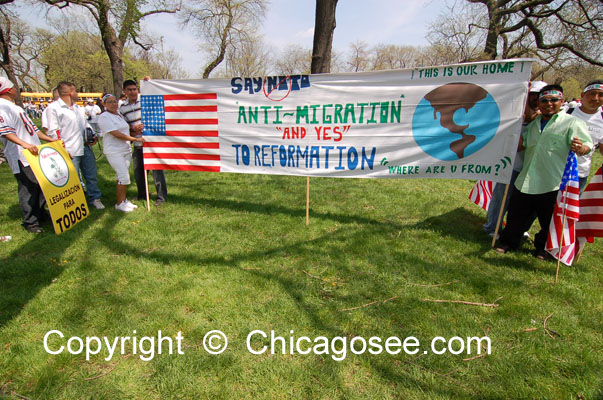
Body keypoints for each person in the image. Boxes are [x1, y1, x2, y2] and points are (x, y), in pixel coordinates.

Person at [495, 84, 593, 259]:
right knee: (516, 215)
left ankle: (543, 248)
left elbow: (587, 146)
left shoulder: (573, 123)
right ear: (539, 103)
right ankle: (508, 242)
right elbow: (522, 145)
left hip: (552, 181)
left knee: (548, 220)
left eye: (554, 100)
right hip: (526, 179)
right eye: (545, 100)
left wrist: (581, 148)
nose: (549, 103)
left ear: (562, 101)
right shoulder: (533, 125)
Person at [483, 81, 547, 237]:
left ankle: (519, 229)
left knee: (527, 204)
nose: (537, 100)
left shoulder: (544, 117)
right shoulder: (519, 114)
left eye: (541, 97)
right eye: (534, 96)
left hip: (534, 168)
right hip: (512, 165)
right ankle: (493, 228)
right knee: (502, 198)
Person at [0, 77, 59, 233]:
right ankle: (30, 222)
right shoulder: (2, 107)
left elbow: (33, 129)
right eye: (14, 87)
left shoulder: (16, 107)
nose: (16, 89)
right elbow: (4, 131)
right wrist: (24, 144)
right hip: (21, 154)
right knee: (28, 187)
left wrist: (49, 139)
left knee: (41, 185)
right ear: (8, 90)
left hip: (34, 152)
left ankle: (40, 213)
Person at [46, 81, 105, 210]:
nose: (78, 94)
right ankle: (77, 201)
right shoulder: (54, 108)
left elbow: (85, 124)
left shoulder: (78, 108)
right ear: (70, 92)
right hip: (69, 149)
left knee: (91, 174)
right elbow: (53, 131)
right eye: (76, 91)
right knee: (73, 177)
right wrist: (61, 149)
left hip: (84, 146)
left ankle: (95, 198)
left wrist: (92, 135)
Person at [119, 79, 168, 206]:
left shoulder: (146, 101)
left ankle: (161, 197)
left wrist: (150, 82)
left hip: (152, 143)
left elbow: (158, 98)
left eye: (134, 89)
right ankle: (142, 194)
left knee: (157, 172)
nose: (133, 92)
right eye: (129, 90)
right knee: (139, 172)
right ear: (124, 91)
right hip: (137, 143)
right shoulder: (122, 108)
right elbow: (124, 127)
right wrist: (133, 130)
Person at [98, 93, 144, 212]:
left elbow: (127, 130)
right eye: (110, 102)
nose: (113, 104)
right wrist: (136, 139)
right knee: (124, 176)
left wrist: (135, 131)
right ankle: (119, 204)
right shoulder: (104, 117)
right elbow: (117, 134)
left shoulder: (119, 116)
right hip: (114, 151)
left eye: (115, 101)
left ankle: (123, 200)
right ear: (104, 104)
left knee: (121, 176)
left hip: (125, 149)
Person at [565, 80, 603, 194]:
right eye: (592, 93)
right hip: (555, 170)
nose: (595, 98)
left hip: (580, 174)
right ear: (582, 95)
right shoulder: (566, 112)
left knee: (569, 211)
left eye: (601, 95)